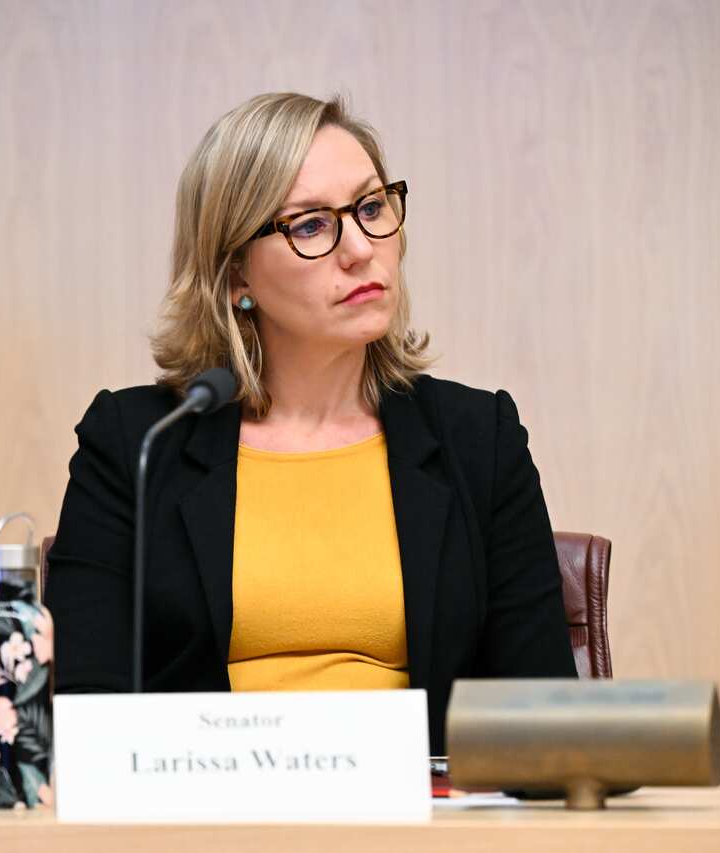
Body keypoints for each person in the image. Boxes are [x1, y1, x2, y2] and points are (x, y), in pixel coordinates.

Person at [46, 92, 576, 754]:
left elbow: (543, 715)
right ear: (235, 269)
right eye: (310, 225)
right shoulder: (136, 443)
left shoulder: (478, 437)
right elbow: (84, 712)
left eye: (372, 207)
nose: (359, 248)